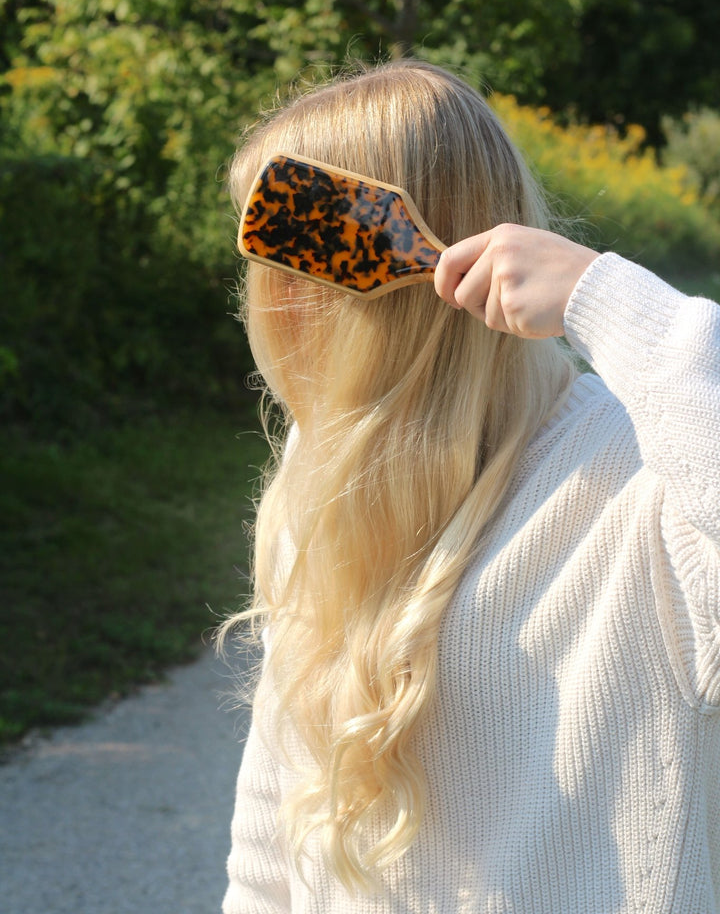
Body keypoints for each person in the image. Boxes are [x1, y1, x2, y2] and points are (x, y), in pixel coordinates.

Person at [220, 61, 720, 913]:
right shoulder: (324, 467)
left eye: (277, 246)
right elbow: (278, 811)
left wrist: (611, 300)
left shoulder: (644, 489)